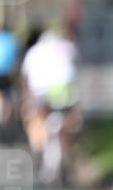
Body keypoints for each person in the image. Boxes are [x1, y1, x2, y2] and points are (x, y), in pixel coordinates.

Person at [19, 26, 82, 178]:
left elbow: (25, 78)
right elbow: (77, 66)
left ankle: (38, 150)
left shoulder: (33, 52)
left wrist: (27, 98)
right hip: (66, 89)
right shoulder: (68, 47)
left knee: (35, 118)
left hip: (42, 91)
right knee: (70, 121)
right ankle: (69, 153)